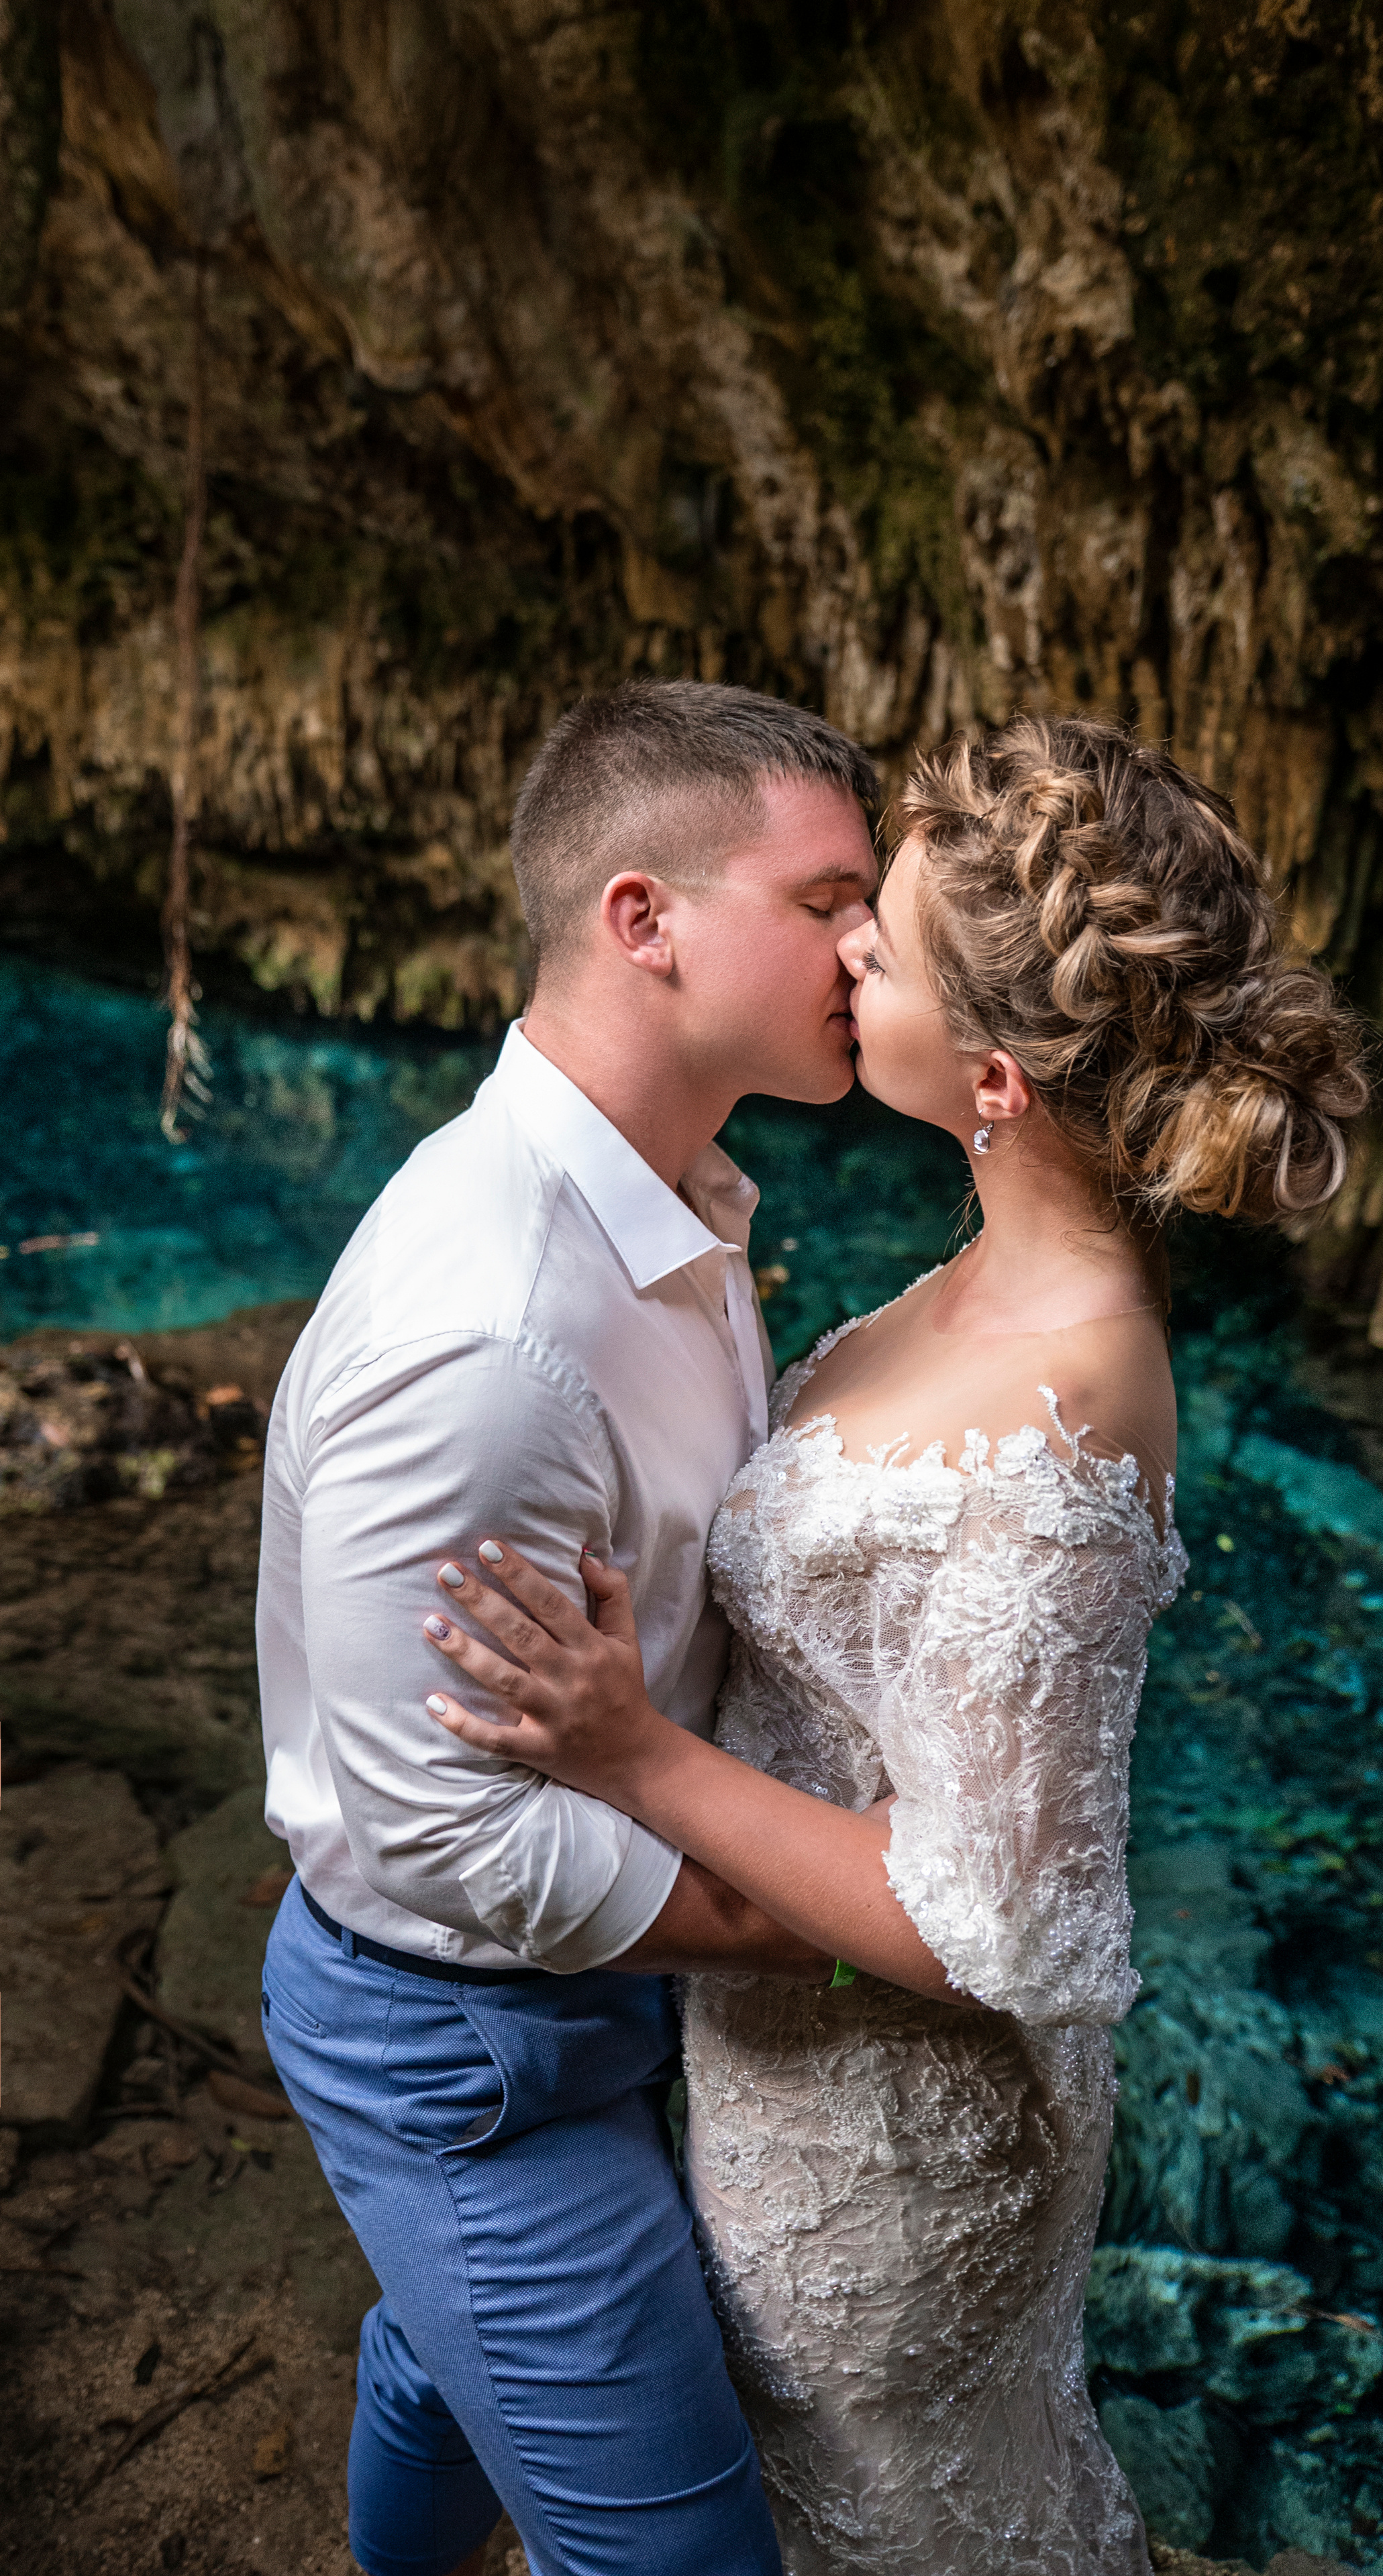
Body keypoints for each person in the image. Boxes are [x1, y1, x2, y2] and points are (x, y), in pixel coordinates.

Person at [417, 714, 1372, 2575]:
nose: (845, 945)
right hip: (776, 2038)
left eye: (888, 942)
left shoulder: (1072, 1397)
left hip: (894, 2150)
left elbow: (997, 1928)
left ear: (995, 1076)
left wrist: (631, 1755)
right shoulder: (975, 1279)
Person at [255, 678, 888, 2576]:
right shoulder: (492, 1331)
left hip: (579, 1983)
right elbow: (435, 1829)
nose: (877, 944)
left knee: (447, 2375)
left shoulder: (670, 1200)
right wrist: (826, 1937)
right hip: (466, 2050)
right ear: (644, 918)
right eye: (829, 898)